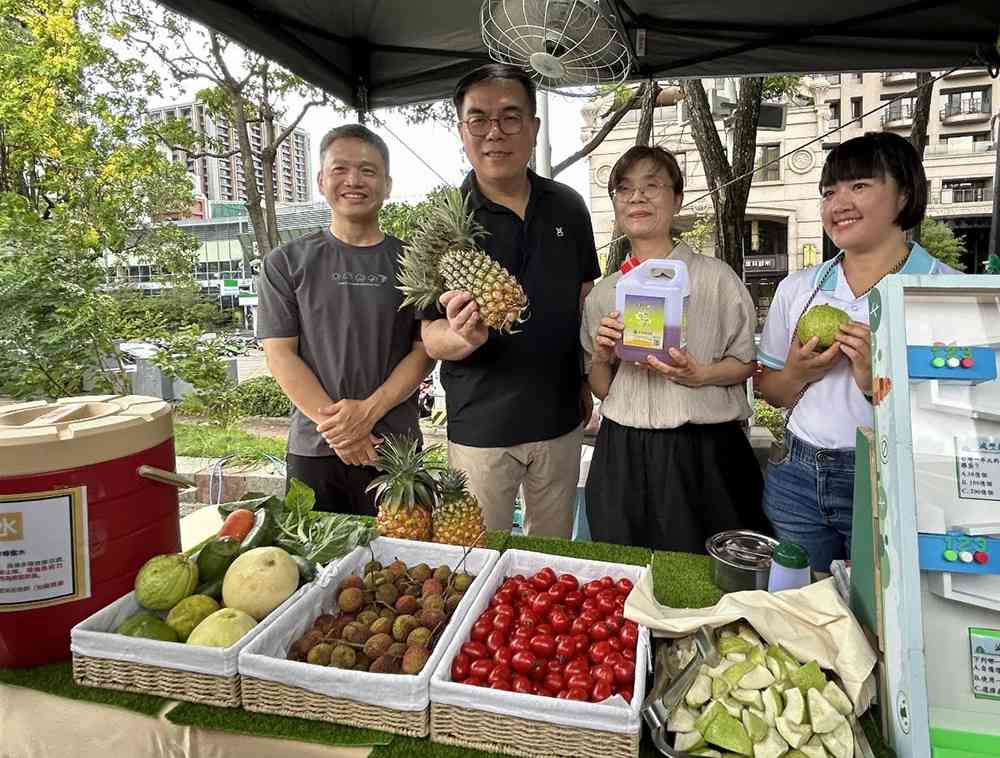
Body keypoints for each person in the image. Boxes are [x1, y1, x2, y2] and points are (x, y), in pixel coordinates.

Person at [757, 131, 959, 572]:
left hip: (892, 481)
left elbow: (959, 422)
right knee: (798, 599)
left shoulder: (944, 292)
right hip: (797, 476)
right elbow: (771, 391)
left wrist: (874, 385)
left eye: (859, 186)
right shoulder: (798, 289)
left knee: (877, 607)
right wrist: (797, 373)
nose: (839, 203)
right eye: (829, 192)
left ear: (904, 195)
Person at [418, 63, 601, 538]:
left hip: (560, 419)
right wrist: (463, 336)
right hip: (481, 429)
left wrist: (586, 378)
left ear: (533, 127)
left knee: (550, 554)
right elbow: (430, 337)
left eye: (510, 117)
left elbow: (583, 300)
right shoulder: (442, 224)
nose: (494, 132)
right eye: (478, 119)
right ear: (462, 131)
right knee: (478, 556)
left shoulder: (568, 206)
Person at [581, 145, 769, 553]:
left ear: (678, 199)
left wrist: (701, 375)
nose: (637, 197)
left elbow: (745, 363)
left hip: (704, 451)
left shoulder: (717, 279)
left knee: (704, 571)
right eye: (624, 189)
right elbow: (602, 388)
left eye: (652, 186)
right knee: (625, 566)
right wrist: (601, 356)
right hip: (622, 452)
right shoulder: (605, 294)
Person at [258, 124, 433, 514]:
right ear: (321, 181)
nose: (353, 181)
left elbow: (423, 352)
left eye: (368, 171)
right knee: (316, 550)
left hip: (395, 450)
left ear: (387, 185)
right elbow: (280, 355)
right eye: (340, 169)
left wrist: (368, 412)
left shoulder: (415, 263)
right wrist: (342, 432)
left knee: (399, 554)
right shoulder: (286, 263)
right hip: (315, 449)